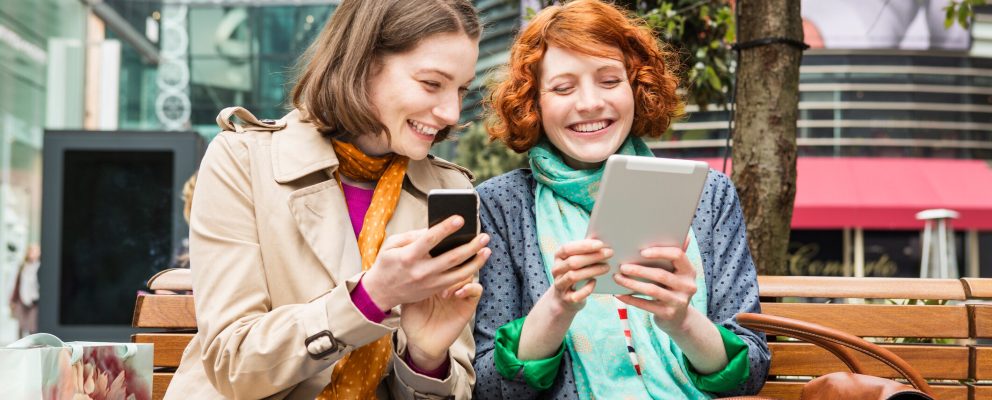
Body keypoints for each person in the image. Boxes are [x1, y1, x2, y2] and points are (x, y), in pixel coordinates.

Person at [165, 1, 489, 398]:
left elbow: (455, 387)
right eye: (431, 84)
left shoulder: (450, 191)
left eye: (461, 89)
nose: (452, 112)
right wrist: (370, 299)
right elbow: (232, 365)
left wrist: (425, 358)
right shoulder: (242, 160)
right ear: (363, 62)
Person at [472, 1, 770, 398]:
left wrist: (681, 319)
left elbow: (752, 370)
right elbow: (489, 385)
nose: (590, 103)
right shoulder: (498, 206)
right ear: (534, 103)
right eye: (563, 87)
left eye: (609, 80)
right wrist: (558, 307)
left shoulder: (708, 194)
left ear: (637, 87)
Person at [9, 244, 40, 337]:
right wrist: (13, 300)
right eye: (30, 251)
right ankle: (19, 345)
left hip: (34, 300)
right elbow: (18, 284)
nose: (32, 253)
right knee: (21, 325)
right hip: (22, 298)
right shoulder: (23, 266)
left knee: (32, 326)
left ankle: (33, 346)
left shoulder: (40, 266)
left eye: (35, 251)